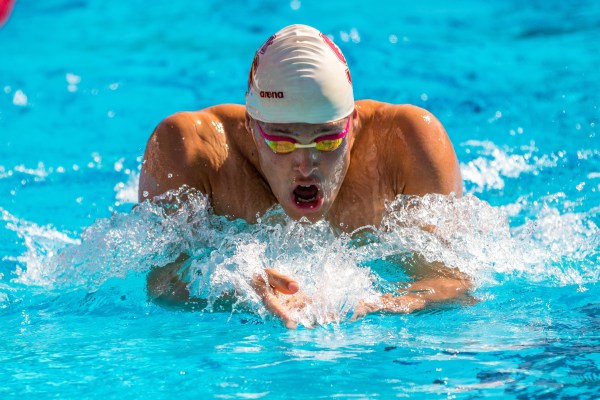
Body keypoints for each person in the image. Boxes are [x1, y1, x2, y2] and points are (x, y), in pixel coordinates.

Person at [140, 24, 470, 328]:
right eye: (282, 141)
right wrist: (234, 284)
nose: (306, 163)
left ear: (352, 123)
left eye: (327, 138)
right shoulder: (192, 149)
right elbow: (162, 283)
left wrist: (385, 303)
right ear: (251, 128)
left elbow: (454, 280)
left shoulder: (406, 143)